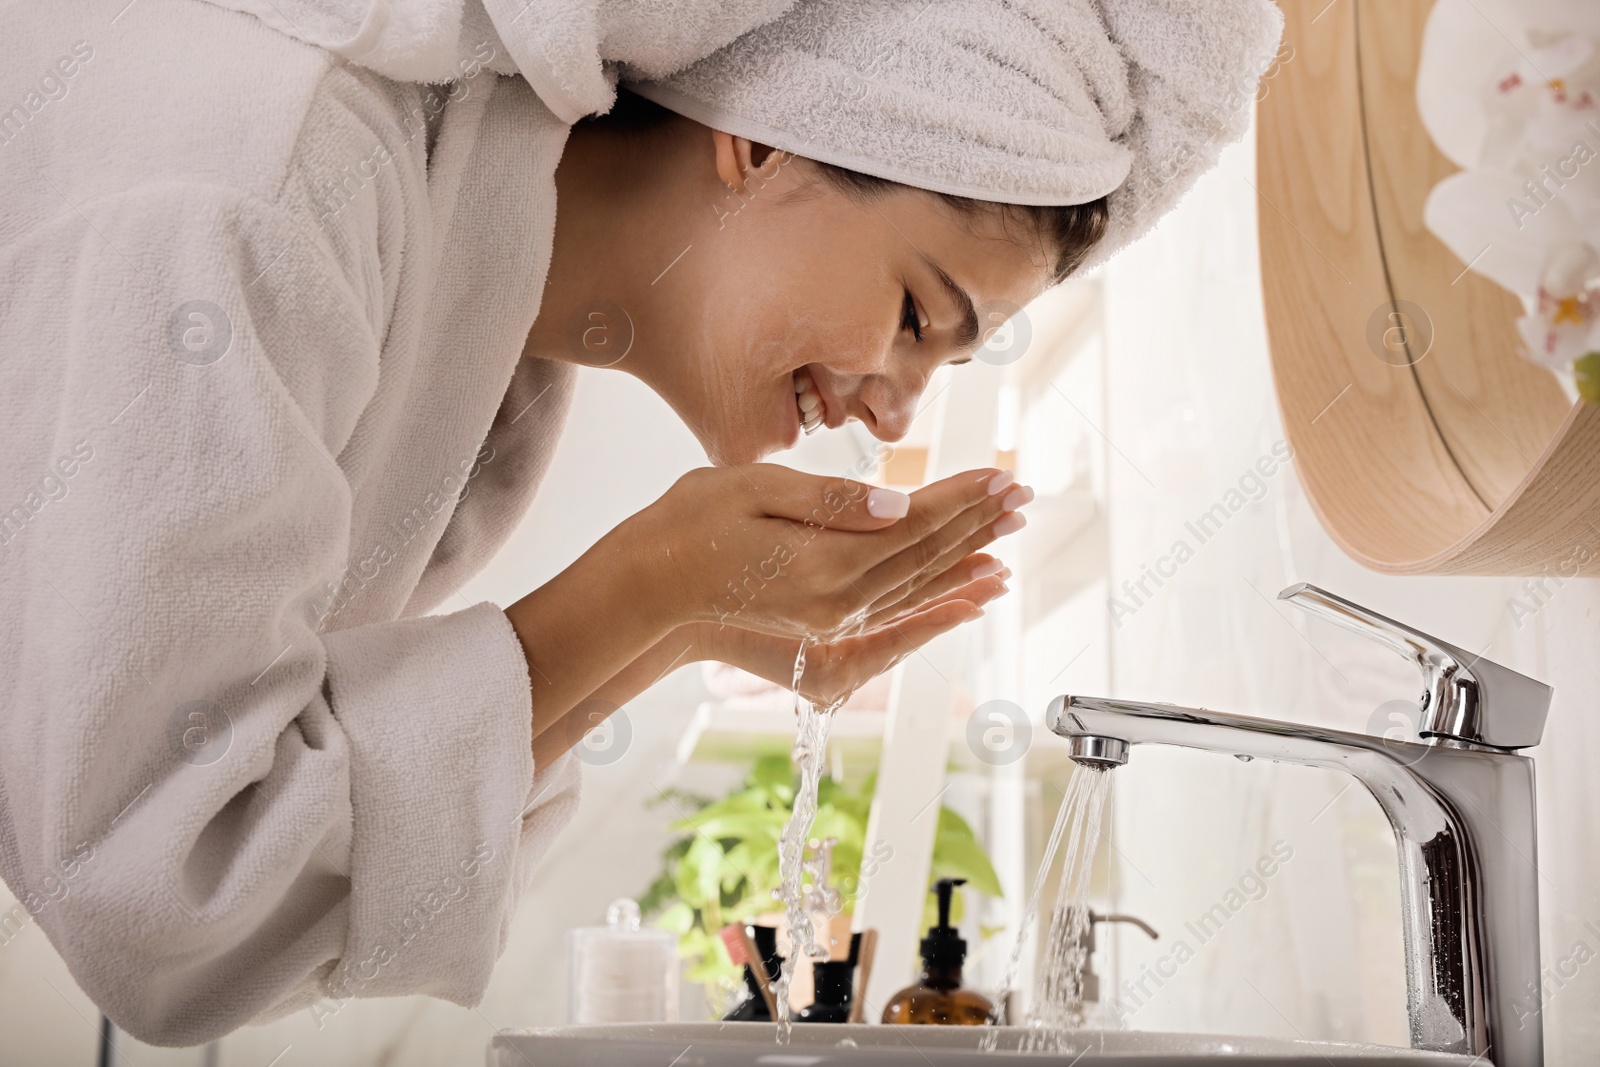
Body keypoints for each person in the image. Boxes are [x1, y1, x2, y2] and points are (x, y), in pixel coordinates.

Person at [0, 0, 1282, 1045]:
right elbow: (154, 884)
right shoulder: (273, 179)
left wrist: (679, 626)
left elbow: (234, 846)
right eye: (914, 316)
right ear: (769, 140)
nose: (893, 414)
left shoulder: (498, 347)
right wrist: (653, 586)